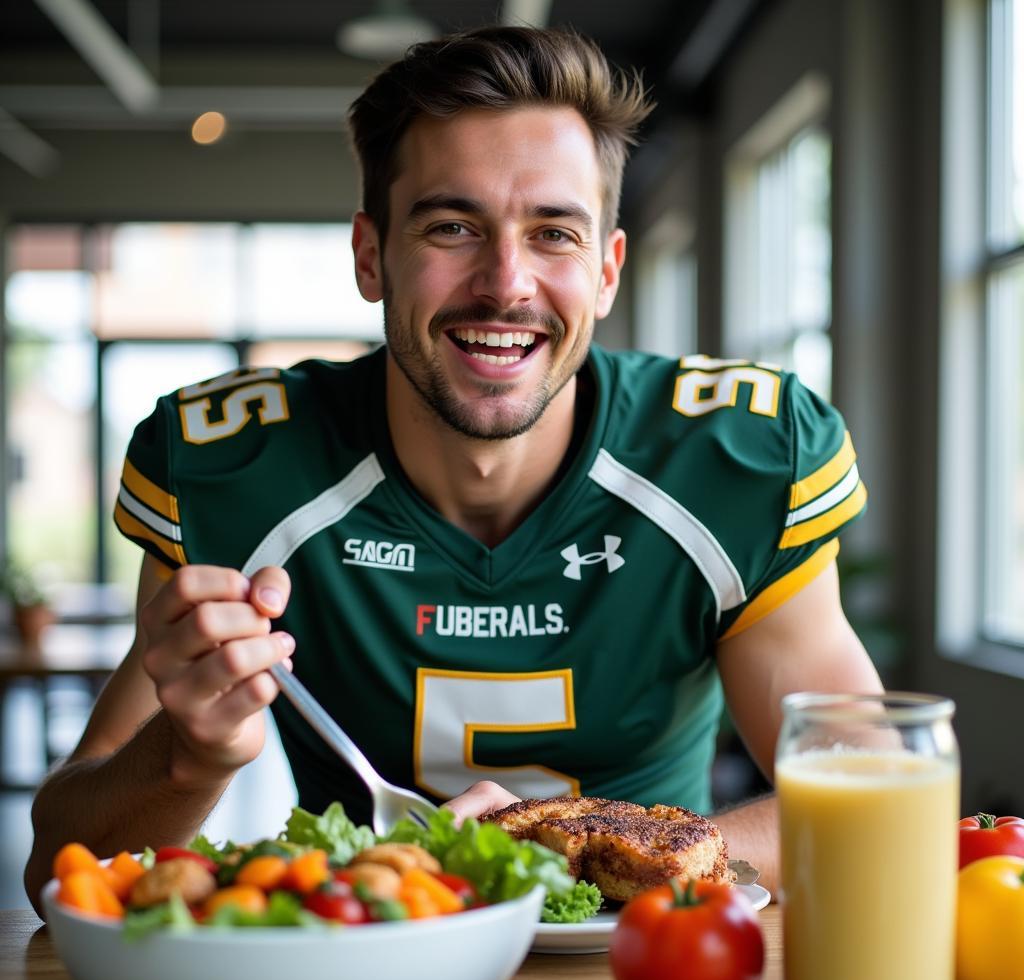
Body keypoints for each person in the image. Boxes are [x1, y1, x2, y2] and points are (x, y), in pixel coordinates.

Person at [24, 25, 882, 910]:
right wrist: (190, 753)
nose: (505, 282)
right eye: (451, 226)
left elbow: (878, 793)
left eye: (553, 233)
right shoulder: (242, 467)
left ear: (607, 270)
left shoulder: (721, 456)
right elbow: (60, 864)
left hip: (659, 961)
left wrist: (597, 846)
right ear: (371, 254)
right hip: (362, 958)